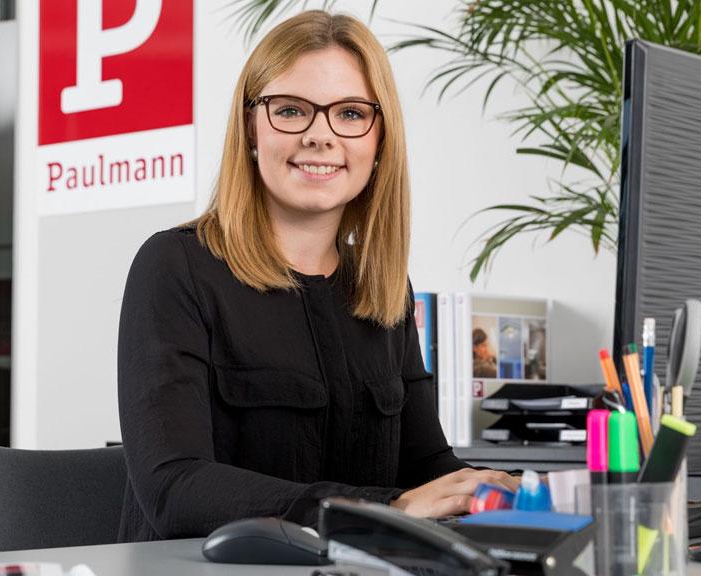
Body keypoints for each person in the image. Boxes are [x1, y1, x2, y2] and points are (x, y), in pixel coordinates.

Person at [116, 10, 518, 543]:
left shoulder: (383, 290)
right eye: (290, 110)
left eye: (350, 113)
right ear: (251, 128)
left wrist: (507, 491)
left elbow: (426, 467)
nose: (320, 136)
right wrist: (386, 508)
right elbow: (175, 488)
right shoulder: (176, 266)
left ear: (379, 140)